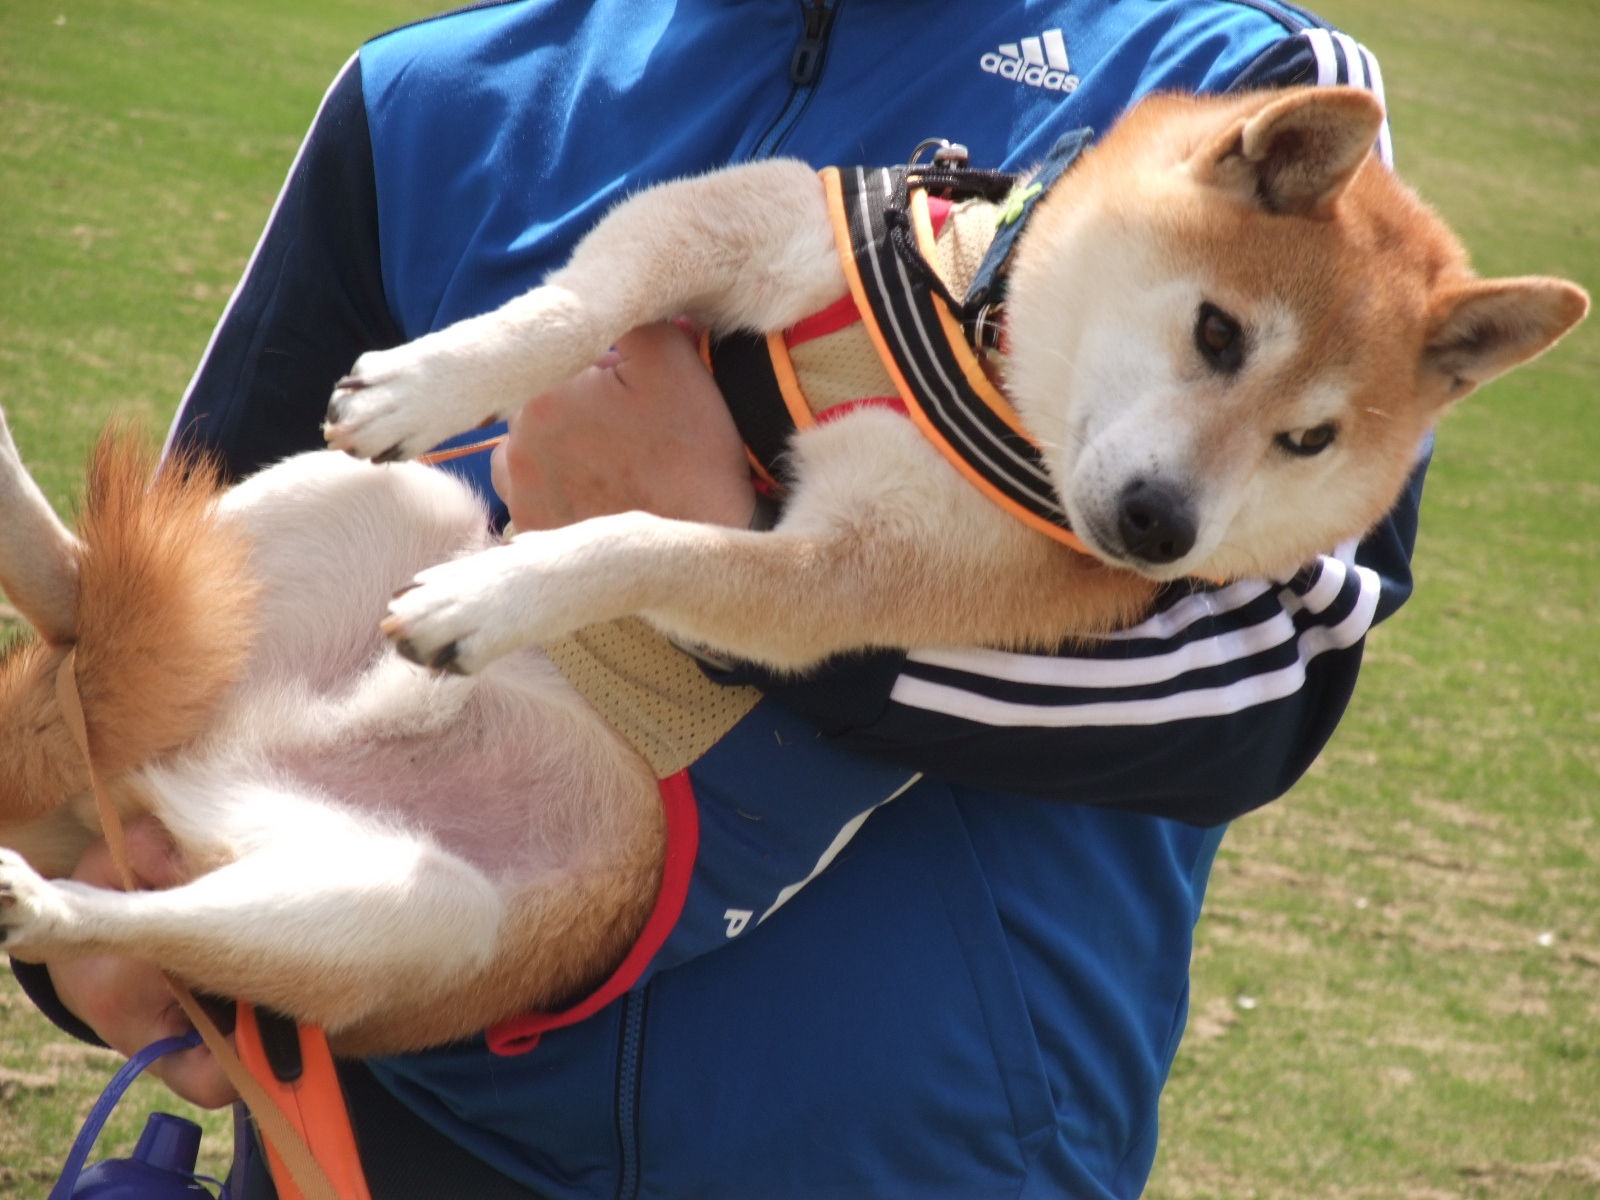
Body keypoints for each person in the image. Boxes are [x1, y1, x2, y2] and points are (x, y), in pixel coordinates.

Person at [18, 2, 1423, 1196]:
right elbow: (168, 612)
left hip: (913, 1163)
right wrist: (89, 937)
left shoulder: (1221, 77)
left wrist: (743, 569)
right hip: (389, 1123)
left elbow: (1269, 675)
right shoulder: (434, 93)